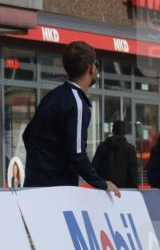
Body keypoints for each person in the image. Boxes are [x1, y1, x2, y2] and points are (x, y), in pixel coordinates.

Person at [22, 41, 121, 197]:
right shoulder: (77, 103)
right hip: (57, 189)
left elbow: (27, 134)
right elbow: (77, 153)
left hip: (33, 185)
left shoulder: (52, 96)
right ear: (91, 67)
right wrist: (101, 183)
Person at [93, 120, 138, 189]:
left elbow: (94, 167)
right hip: (124, 190)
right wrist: (134, 188)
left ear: (113, 130)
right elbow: (133, 172)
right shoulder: (130, 149)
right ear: (125, 131)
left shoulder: (102, 146)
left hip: (105, 188)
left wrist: (100, 184)